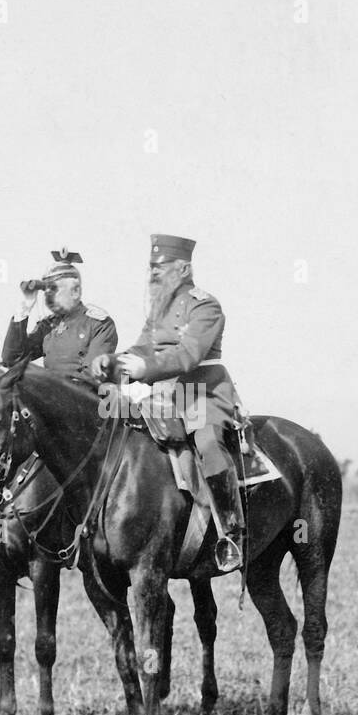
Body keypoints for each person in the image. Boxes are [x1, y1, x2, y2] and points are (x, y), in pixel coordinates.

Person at [93, 234, 245, 572]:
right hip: (164, 395)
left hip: (203, 391)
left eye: (160, 268)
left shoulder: (204, 305)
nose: (153, 274)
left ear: (184, 268)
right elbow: (142, 348)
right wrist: (113, 362)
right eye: (151, 268)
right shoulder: (159, 310)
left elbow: (188, 354)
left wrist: (146, 368)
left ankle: (230, 531)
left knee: (207, 443)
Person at [2, 248, 117, 384]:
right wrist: (24, 308)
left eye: (54, 289)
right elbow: (12, 359)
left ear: (75, 291)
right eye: (46, 289)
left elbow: (91, 378)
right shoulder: (49, 325)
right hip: (51, 396)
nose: (48, 295)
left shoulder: (98, 324)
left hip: (83, 399)